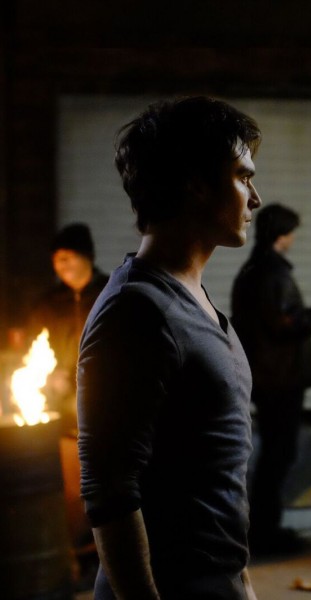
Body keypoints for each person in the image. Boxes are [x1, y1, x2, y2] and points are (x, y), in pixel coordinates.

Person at [77, 96, 262, 599]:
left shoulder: (193, 299)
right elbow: (109, 489)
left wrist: (241, 581)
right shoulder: (136, 311)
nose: (255, 198)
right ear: (196, 183)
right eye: (242, 177)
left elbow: (215, 476)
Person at [230, 202, 311, 556]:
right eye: (292, 233)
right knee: (279, 454)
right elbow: (288, 322)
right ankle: (265, 532)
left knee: (275, 453)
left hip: (266, 377)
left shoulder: (251, 270)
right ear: (282, 236)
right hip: (280, 380)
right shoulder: (272, 273)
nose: (294, 239)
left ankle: (264, 528)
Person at [28, 222, 109, 433]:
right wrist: (52, 376)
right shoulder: (48, 304)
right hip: (61, 400)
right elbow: (32, 350)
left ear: (88, 256)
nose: (62, 264)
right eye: (56, 258)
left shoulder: (112, 294)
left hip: (106, 396)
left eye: (68, 256)